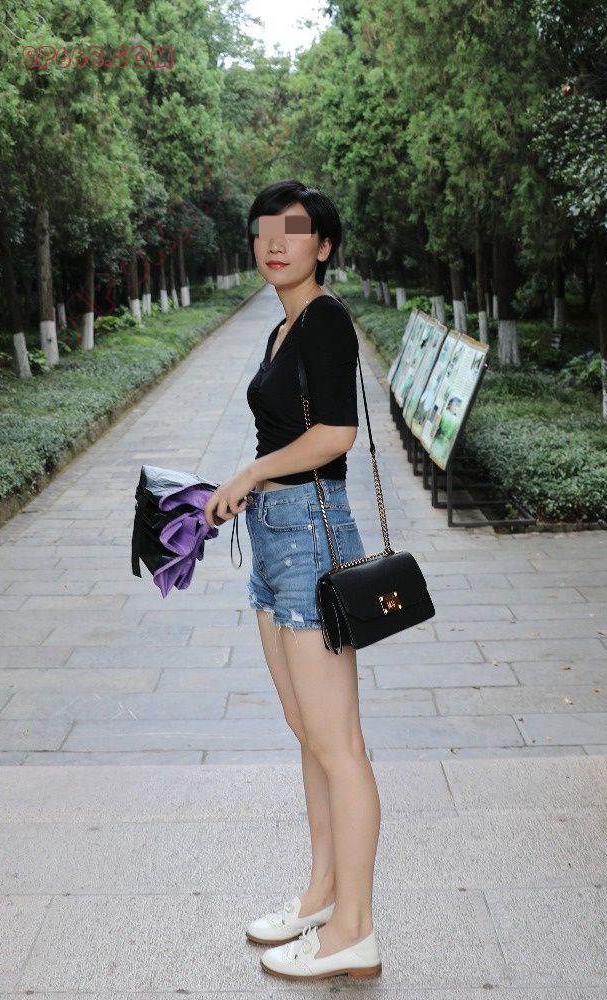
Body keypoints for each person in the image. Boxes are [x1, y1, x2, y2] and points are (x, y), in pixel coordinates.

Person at [203, 180, 382, 981]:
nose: (274, 242)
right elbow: (290, 429)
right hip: (276, 537)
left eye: (295, 230)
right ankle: (321, 895)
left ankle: (353, 931)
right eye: (262, 230)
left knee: (338, 743)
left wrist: (250, 472)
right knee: (307, 731)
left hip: (309, 533)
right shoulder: (285, 327)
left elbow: (335, 434)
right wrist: (239, 488)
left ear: (325, 245)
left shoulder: (326, 319)